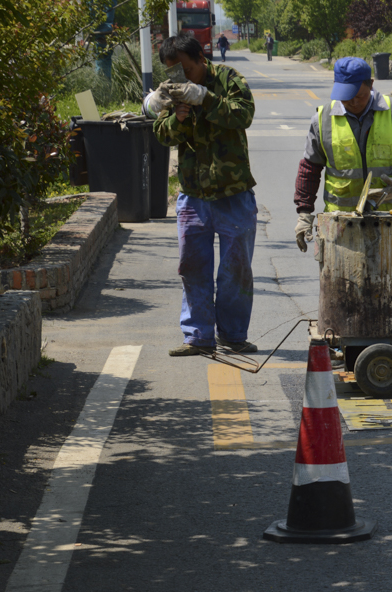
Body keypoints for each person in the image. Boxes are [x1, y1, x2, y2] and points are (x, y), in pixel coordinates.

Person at [153, 32, 259, 357]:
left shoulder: (228, 78)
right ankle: (198, 336)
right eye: (175, 71)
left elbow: (244, 114)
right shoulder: (174, 89)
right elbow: (161, 134)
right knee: (192, 267)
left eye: (186, 69)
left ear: (201, 58)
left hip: (233, 194)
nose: (182, 77)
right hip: (193, 195)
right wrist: (177, 117)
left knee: (235, 270)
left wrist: (205, 98)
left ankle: (233, 336)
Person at [293, 56, 392, 251]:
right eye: (346, 97)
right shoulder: (322, 120)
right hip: (341, 225)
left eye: (359, 96)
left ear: (371, 84)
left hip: (390, 221)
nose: (353, 102)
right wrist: (304, 213)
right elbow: (309, 169)